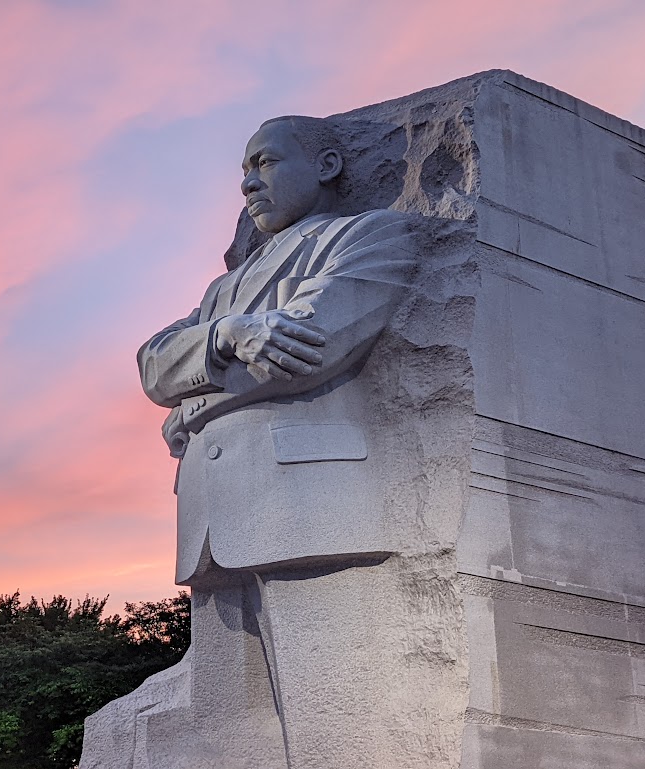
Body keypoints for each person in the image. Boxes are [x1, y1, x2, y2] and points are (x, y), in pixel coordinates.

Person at [134, 115, 427, 768]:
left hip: (308, 510)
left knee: (338, 724)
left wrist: (189, 412)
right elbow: (153, 364)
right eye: (242, 171)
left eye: (263, 163)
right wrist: (225, 333)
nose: (246, 184)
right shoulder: (222, 290)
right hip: (213, 519)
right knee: (229, 732)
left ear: (325, 165)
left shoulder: (368, 235)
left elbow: (311, 344)